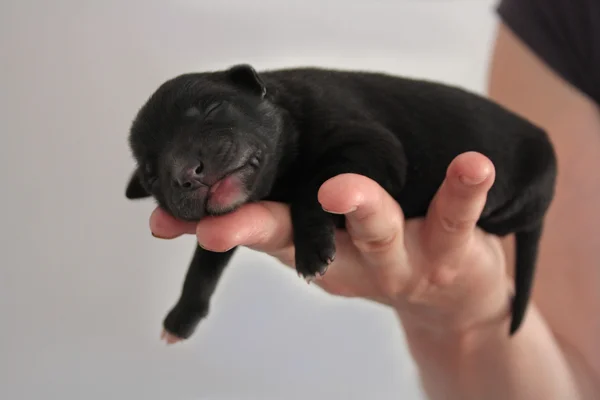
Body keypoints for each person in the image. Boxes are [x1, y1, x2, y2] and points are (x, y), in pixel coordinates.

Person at [148, 0, 600, 398]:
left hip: (518, 175)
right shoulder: (564, 15)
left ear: (251, 90)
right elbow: (576, 375)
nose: (187, 169)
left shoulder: (313, 110)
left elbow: (380, 159)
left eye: (208, 114)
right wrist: (469, 316)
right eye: (154, 169)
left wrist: (313, 215)